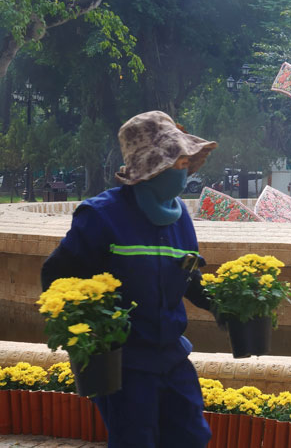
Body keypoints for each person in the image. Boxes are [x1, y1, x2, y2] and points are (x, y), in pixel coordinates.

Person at [41, 110, 218, 448]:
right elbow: (55, 275)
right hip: (124, 362)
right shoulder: (103, 216)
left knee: (192, 436)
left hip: (172, 356)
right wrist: (84, 337)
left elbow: (186, 276)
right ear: (154, 169)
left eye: (185, 162)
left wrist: (219, 304)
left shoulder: (180, 219)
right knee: (136, 440)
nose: (185, 171)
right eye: (177, 162)